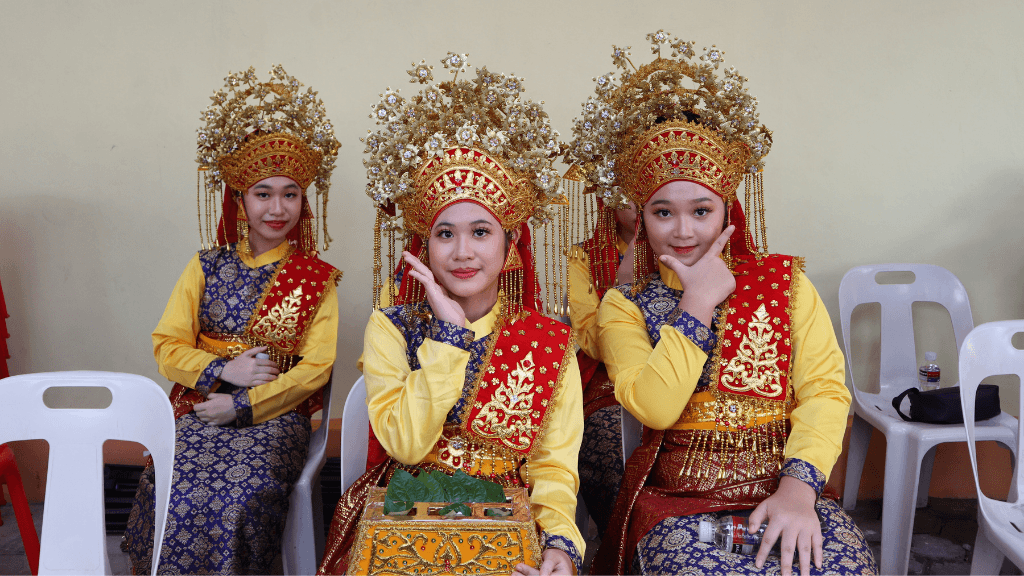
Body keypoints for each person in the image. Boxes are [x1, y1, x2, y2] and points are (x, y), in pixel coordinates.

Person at [566, 31, 876, 576]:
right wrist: (699, 303)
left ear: (727, 210)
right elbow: (654, 408)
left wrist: (799, 490)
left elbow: (825, 390)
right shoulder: (625, 305)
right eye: (663, 212)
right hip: (679, 506)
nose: (683, 230)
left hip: (787, 491)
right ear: (641, 217)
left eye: (701, 211)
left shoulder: (783, 281)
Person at [318, 54, 584, 576]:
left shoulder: (548, 342)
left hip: (509, 515)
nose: (462, 252)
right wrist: (447, 336)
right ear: (424, 246)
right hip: (403, 505)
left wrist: (561, 545)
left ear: (510, 247)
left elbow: (553, 465)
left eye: (481, 232)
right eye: (445, 233)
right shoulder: (392, 325)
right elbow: (406, 444)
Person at [123, 66, 342, 575]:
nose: (277, 207)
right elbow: (166, 345)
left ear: (302, 202)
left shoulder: (317, 278)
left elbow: (316, 370)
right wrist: (224, 373)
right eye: (263, 193)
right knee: (174, 481)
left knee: (243, 490)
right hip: (200, 407)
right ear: (240, 200)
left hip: (275, 417)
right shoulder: (204, 265)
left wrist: (245, 405)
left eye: (290, 193)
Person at [566, 196, 634, 539]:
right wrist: (623, 283)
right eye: (629, 191)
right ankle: (621, 549)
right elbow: (593, 340)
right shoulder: (584, 257)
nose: (641, 200)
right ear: (608, 196)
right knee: (613, 457)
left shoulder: (692, 247)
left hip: (691, 375)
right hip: (608, 381)